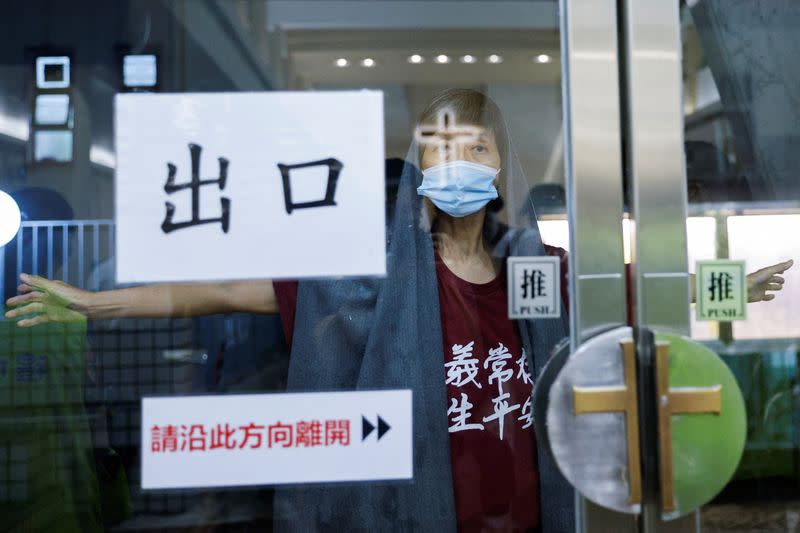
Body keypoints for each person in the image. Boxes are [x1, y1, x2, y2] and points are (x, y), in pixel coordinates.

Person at [4, 89, 792, 533]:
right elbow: (224, 290)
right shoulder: (372, 275)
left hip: (531, 514)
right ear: (419, 169)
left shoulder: (538, 268)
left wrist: (741, 282)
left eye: (477, 148)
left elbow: (638, 285)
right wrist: (99, 302)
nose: (460, 164)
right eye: (442, 149)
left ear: (500, 166)